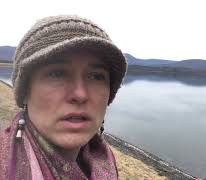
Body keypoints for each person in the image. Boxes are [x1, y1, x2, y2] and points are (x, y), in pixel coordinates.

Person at [0, 15, 127, 179]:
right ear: (24, 92)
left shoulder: (103, 159)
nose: (80, 95)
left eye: (96, 76)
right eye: (57, 73)